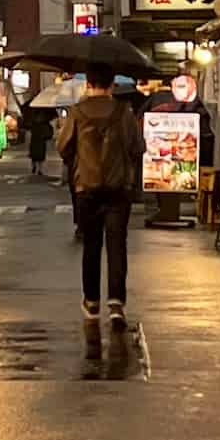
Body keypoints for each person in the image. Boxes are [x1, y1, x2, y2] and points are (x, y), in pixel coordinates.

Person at [58, 63, 143, 327]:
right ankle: (116, 303)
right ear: (112, 85)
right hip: (118, 189)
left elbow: (64, 148)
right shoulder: (123, 112)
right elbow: (137, 147)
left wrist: (80, 161)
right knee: (117, 246)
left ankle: (91, 301)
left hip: (87, 188)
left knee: (92, 245)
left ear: (88, 84)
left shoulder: (77, 112)